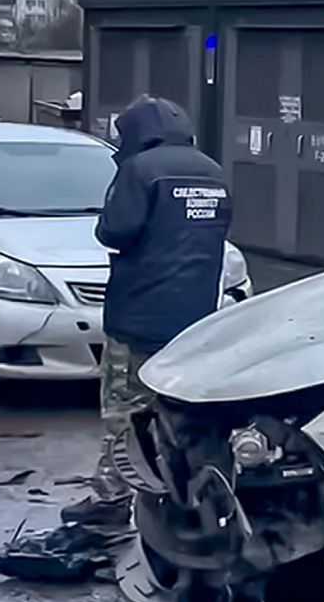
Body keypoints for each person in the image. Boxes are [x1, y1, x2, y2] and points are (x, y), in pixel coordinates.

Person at [64, 96, 234, 526]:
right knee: (178, 410)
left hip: (139, 315)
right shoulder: (212, 171)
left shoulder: (140, 171)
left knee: (125, 412)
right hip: (194, 317)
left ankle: (111, 501)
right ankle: (181, 494)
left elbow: (114, 231)